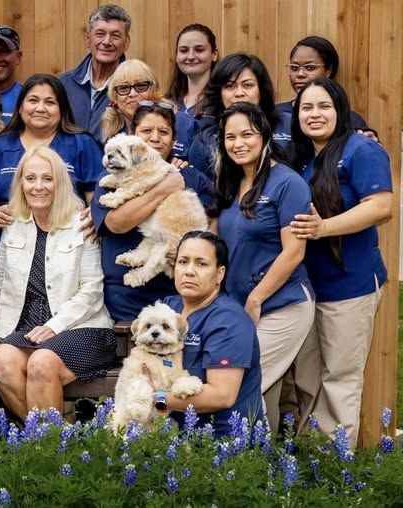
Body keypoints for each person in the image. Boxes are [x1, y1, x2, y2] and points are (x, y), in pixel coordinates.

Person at [289, 79, 392, 445]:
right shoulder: (302, 157)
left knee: (340, 380)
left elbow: (381, 207)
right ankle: (306, 463)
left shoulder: (362, 150)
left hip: (350, 285)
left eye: (324, 106)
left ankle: (333, 473)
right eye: (306, 108)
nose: (315, 115)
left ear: (340, 110)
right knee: (307, 379)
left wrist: (323, 228)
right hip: (307, 287)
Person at [0, 146, 115, 419]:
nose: (38, 187)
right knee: (3, 359)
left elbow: (91, 291)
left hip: (83, 326)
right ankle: (46, 442)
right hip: (31, 328)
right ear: (20, 182)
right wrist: (3, 331)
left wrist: (54, 326)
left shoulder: (81, 223)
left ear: (60, 182)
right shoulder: (14, 222)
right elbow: (2, 283)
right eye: (30, 178)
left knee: (41, 362)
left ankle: (49, 449)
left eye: (47, 179)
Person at [209, 102, 313, 432]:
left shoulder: (288, 183)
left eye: (247, 135)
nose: (238, 143)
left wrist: (255, 299)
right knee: (257, 393)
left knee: (238, 382)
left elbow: (294, 252)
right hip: (240, 308)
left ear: (265, 136)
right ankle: (259, 471)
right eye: (230, 137)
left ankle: (244, 467)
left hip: (282, 305)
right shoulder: (230, 182)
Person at [91, 101, 212, 322]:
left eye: (164, 132)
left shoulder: (194, 178)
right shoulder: (110, 178)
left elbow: (211, 229)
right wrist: (166, 186)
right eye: (146, 131)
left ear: (174, 140)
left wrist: (193, 251)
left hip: (178, 294)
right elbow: (117, 223)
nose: (155, 138)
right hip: (123, 297)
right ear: (132, 136)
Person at [159, 231, 264, 437]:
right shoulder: (168, 307)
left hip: (219, 442)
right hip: (170, 436)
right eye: (183, 261)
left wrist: (156, 398)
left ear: (219, 274)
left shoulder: (229, 320)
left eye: (201, 264)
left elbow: (221, 396)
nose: (189, 271)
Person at [0, 74, 102, 240]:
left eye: (49, 102)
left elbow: (97, 197)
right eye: (33, 101)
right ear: (20, 107)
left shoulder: (82, 144)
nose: (40, 108)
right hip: (11, 244)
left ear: (61, 108)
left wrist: (94, 214)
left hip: (69, 245)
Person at [186, 53, 291, 181]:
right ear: (219, 93)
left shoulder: (287, 124)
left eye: (248, 85)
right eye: (230, 86)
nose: (239, 93)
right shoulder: (205, 138)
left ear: (261, 89)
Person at [277, 36, 375, 141]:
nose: (300, 74)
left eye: (310, 68)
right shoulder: (274, 114)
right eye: (294, 68)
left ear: (328, 71)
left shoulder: (350, 120)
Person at [60, 4, 130, 139]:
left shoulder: (134, 90)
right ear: (87, 38)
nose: (106, 42)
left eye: (115, 36)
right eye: (100, 34)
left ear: (126, 43)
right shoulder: (62, 85)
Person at [100, 59, 195, 158]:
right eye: (123, 88)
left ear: (154, 91)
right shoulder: (112, 136)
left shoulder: (183, 124)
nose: (133, 94)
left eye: (141, 86)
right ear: (114, 98)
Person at [165, 24, 219, 116]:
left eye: (199, 50)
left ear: (214, 54)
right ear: (177, 56)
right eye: (184, 50)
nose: (190, 56)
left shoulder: (223, 101)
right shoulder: (167, 104)